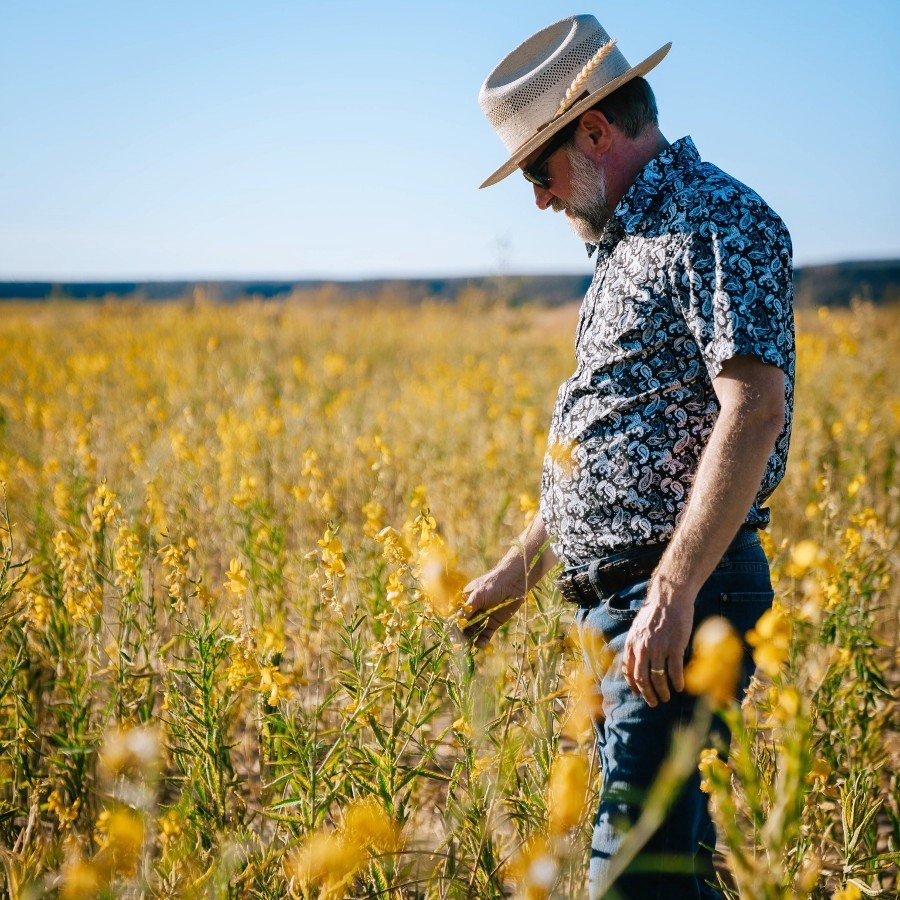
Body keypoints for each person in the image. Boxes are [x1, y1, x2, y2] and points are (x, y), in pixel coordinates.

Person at [462, 14, 794, 900]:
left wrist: (672, 594)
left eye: (538, 173)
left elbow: (754, 411)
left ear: (595, 131)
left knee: (630, 879)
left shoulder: (714, 218)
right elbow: (615, 444)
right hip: (635, 605)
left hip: (676, 600)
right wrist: (516, 572)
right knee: (668, 873)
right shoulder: (628, 244)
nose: (539, 200)